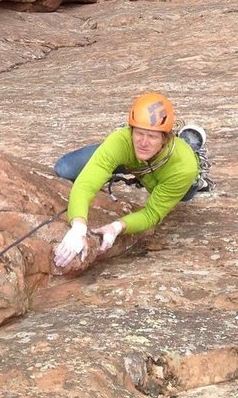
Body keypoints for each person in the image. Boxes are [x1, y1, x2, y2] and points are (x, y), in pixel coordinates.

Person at [52, 92, 203, 268]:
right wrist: (78, 227)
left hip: (166, 171)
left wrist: (117, 227)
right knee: (65, 168)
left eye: (152, 136)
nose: (143, 142)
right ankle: (133, 168)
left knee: (186, 194)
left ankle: (192, 149)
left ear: (165, 139)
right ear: (130, 131)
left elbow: (152, 213)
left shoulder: (183, 167)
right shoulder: (121, 141)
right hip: (131, 161)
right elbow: (85, 183)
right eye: (139, 133)